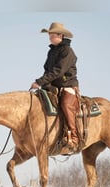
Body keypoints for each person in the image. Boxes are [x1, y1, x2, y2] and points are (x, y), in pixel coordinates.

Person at [30, 22, 80, 151]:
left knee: (65, 104)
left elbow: (58, 71)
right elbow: (47, 70)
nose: (50, 37)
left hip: (67, 84)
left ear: (61, 35)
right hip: (52, 85)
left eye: (52, 35)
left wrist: (40, 82)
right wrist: (43, 83)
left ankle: (74, 137)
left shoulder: (67, 51)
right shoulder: (51, 52)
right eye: (49, 35)